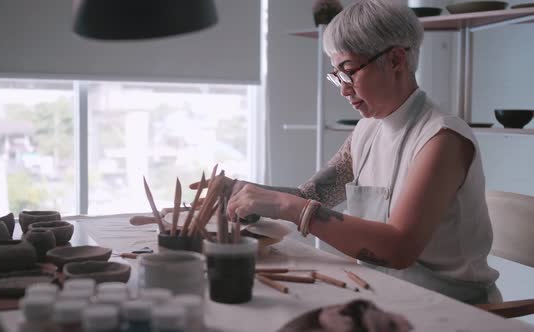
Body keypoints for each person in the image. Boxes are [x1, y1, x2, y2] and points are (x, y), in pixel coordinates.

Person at [210, 0, 500, 304]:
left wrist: (286, 205)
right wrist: (241, 190)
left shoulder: (441, 139)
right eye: (337, 75)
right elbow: (312, 195)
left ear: (396, 60)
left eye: (348, 72)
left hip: (452, 308)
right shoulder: (368, 130)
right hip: (386, 296)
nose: (343, 89)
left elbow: (398, 249)